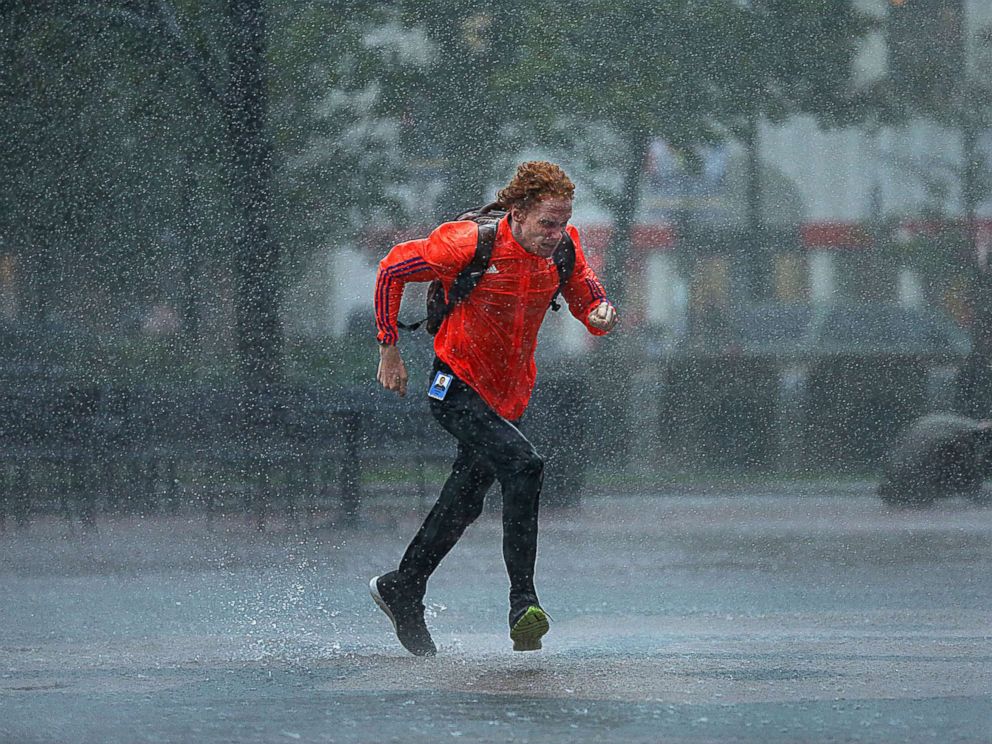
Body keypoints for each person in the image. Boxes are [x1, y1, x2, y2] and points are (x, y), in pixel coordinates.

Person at [369, 161, 618, 656]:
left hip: (508, 396)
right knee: (525, 465)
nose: (556, 233)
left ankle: (404, 584)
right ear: (518, 212)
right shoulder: (468, 243)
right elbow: (393, 267)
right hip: (455, 384)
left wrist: (600, 314)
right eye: (547, 222)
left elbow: (586, 295)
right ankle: (523, 601)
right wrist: (388, 347)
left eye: (563, 221)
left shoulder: (563, 250)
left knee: (464, 501)